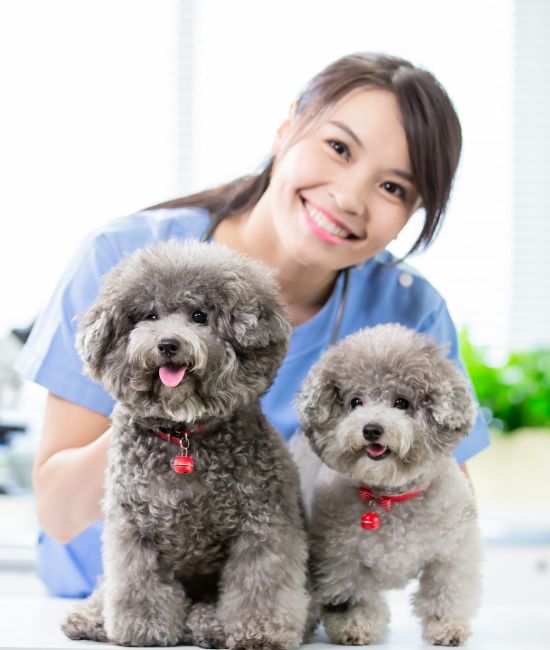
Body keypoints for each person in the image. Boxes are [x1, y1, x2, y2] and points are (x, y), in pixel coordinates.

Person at [16, 52, 489, 598]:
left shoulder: (408, 310)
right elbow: (57, 512)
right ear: (288, 126)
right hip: (107, 608)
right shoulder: (123, 258)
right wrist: (174, 412)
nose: (348, 197)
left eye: (393, 189)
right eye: (338, 148)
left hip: (268, 617)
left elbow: (449, 513)